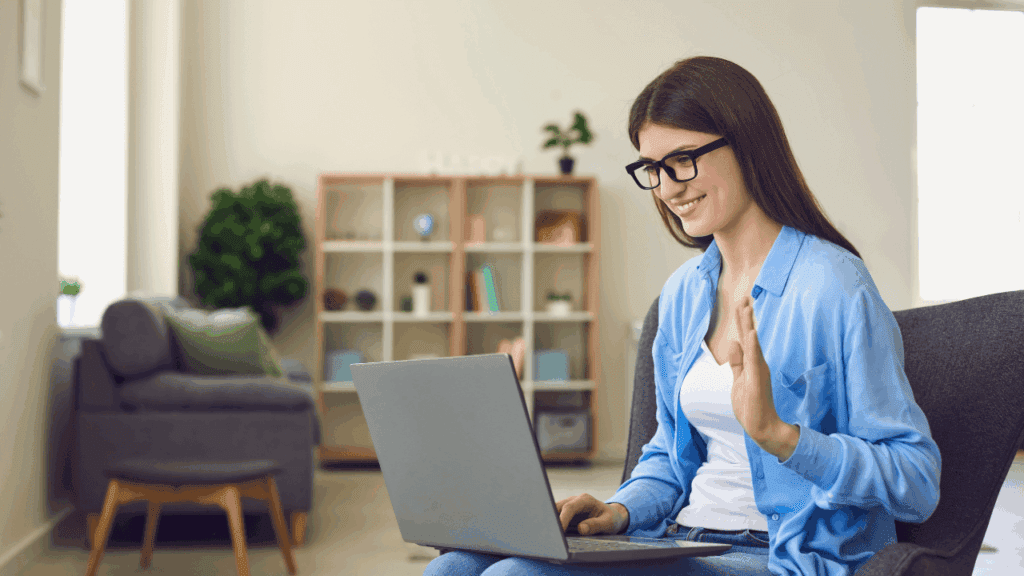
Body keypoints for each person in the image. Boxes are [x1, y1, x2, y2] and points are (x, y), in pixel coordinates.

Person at [423, 55, 941, 576]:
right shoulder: (682, 294)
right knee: (454, 568)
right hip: (680, 539)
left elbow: (915, 481)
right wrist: (621, 511)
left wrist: (781, 437)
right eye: (652, 169)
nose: (668, 188)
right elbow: (670, 457)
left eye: (683, 160)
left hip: (779, 556)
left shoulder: (833, 285)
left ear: (747, 144)